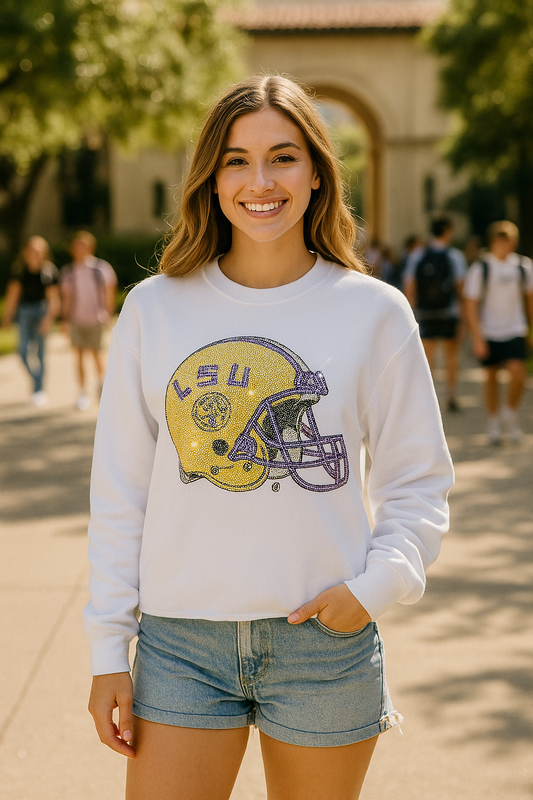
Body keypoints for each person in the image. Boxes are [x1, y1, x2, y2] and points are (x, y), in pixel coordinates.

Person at [84, 75, 454, 800]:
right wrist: (106, 650)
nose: (260, 180)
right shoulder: (155, 309)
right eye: (235, 160)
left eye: (283, 157)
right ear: (211, 179)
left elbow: (417, 481)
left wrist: (375, 588)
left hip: (326, 642)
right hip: (180, 645)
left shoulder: (373, 312)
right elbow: (119, 491)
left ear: (316, 172)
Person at [464, 221, 533, 444]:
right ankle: (494, 423)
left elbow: (530, 301)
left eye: (511, 241)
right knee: (491, 377)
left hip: (515, 328)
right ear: (494, 241)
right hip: (489, 330)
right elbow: (471, 304)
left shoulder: (524, 267)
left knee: (518, 374)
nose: (507, 245)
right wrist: (477, 336)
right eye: (503, 240)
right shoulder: (481, 268)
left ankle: (510, 415)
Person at [403, 216, 467, 412]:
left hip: (425, 313)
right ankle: (451, 396)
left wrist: (412, 311)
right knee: (451, 356)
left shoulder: (418, 256)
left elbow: (409, 285)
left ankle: (427, 400)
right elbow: (461, 287)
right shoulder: (455, 256)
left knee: (427, 357)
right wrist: (463, 316)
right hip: (448, 313)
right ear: (447, 231)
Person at [60, 231, 117, 410]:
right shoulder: (68, 272)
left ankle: (102, 387)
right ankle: (82, 392)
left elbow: (109, 292)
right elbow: (67, 298)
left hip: (96, 319)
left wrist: (108, 313)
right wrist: (65, 320)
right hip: (77, 319)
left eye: (83, 246)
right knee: (78, 356)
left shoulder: (101, 268)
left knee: (96, 354)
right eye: (76, 246)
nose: (80, 249)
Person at [1, 235, 60, 406]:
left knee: (40, 353)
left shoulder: (49, 271)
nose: (35, 254)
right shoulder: (19, 271)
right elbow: (13, 296)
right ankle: (36, 380)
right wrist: (6, 319)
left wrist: (48, 319)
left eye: (39, 250)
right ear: (25, 252)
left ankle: (39, 389)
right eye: (32, 250)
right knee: (23, 351)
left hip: (42, 311)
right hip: (25, 312)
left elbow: (54, 299)